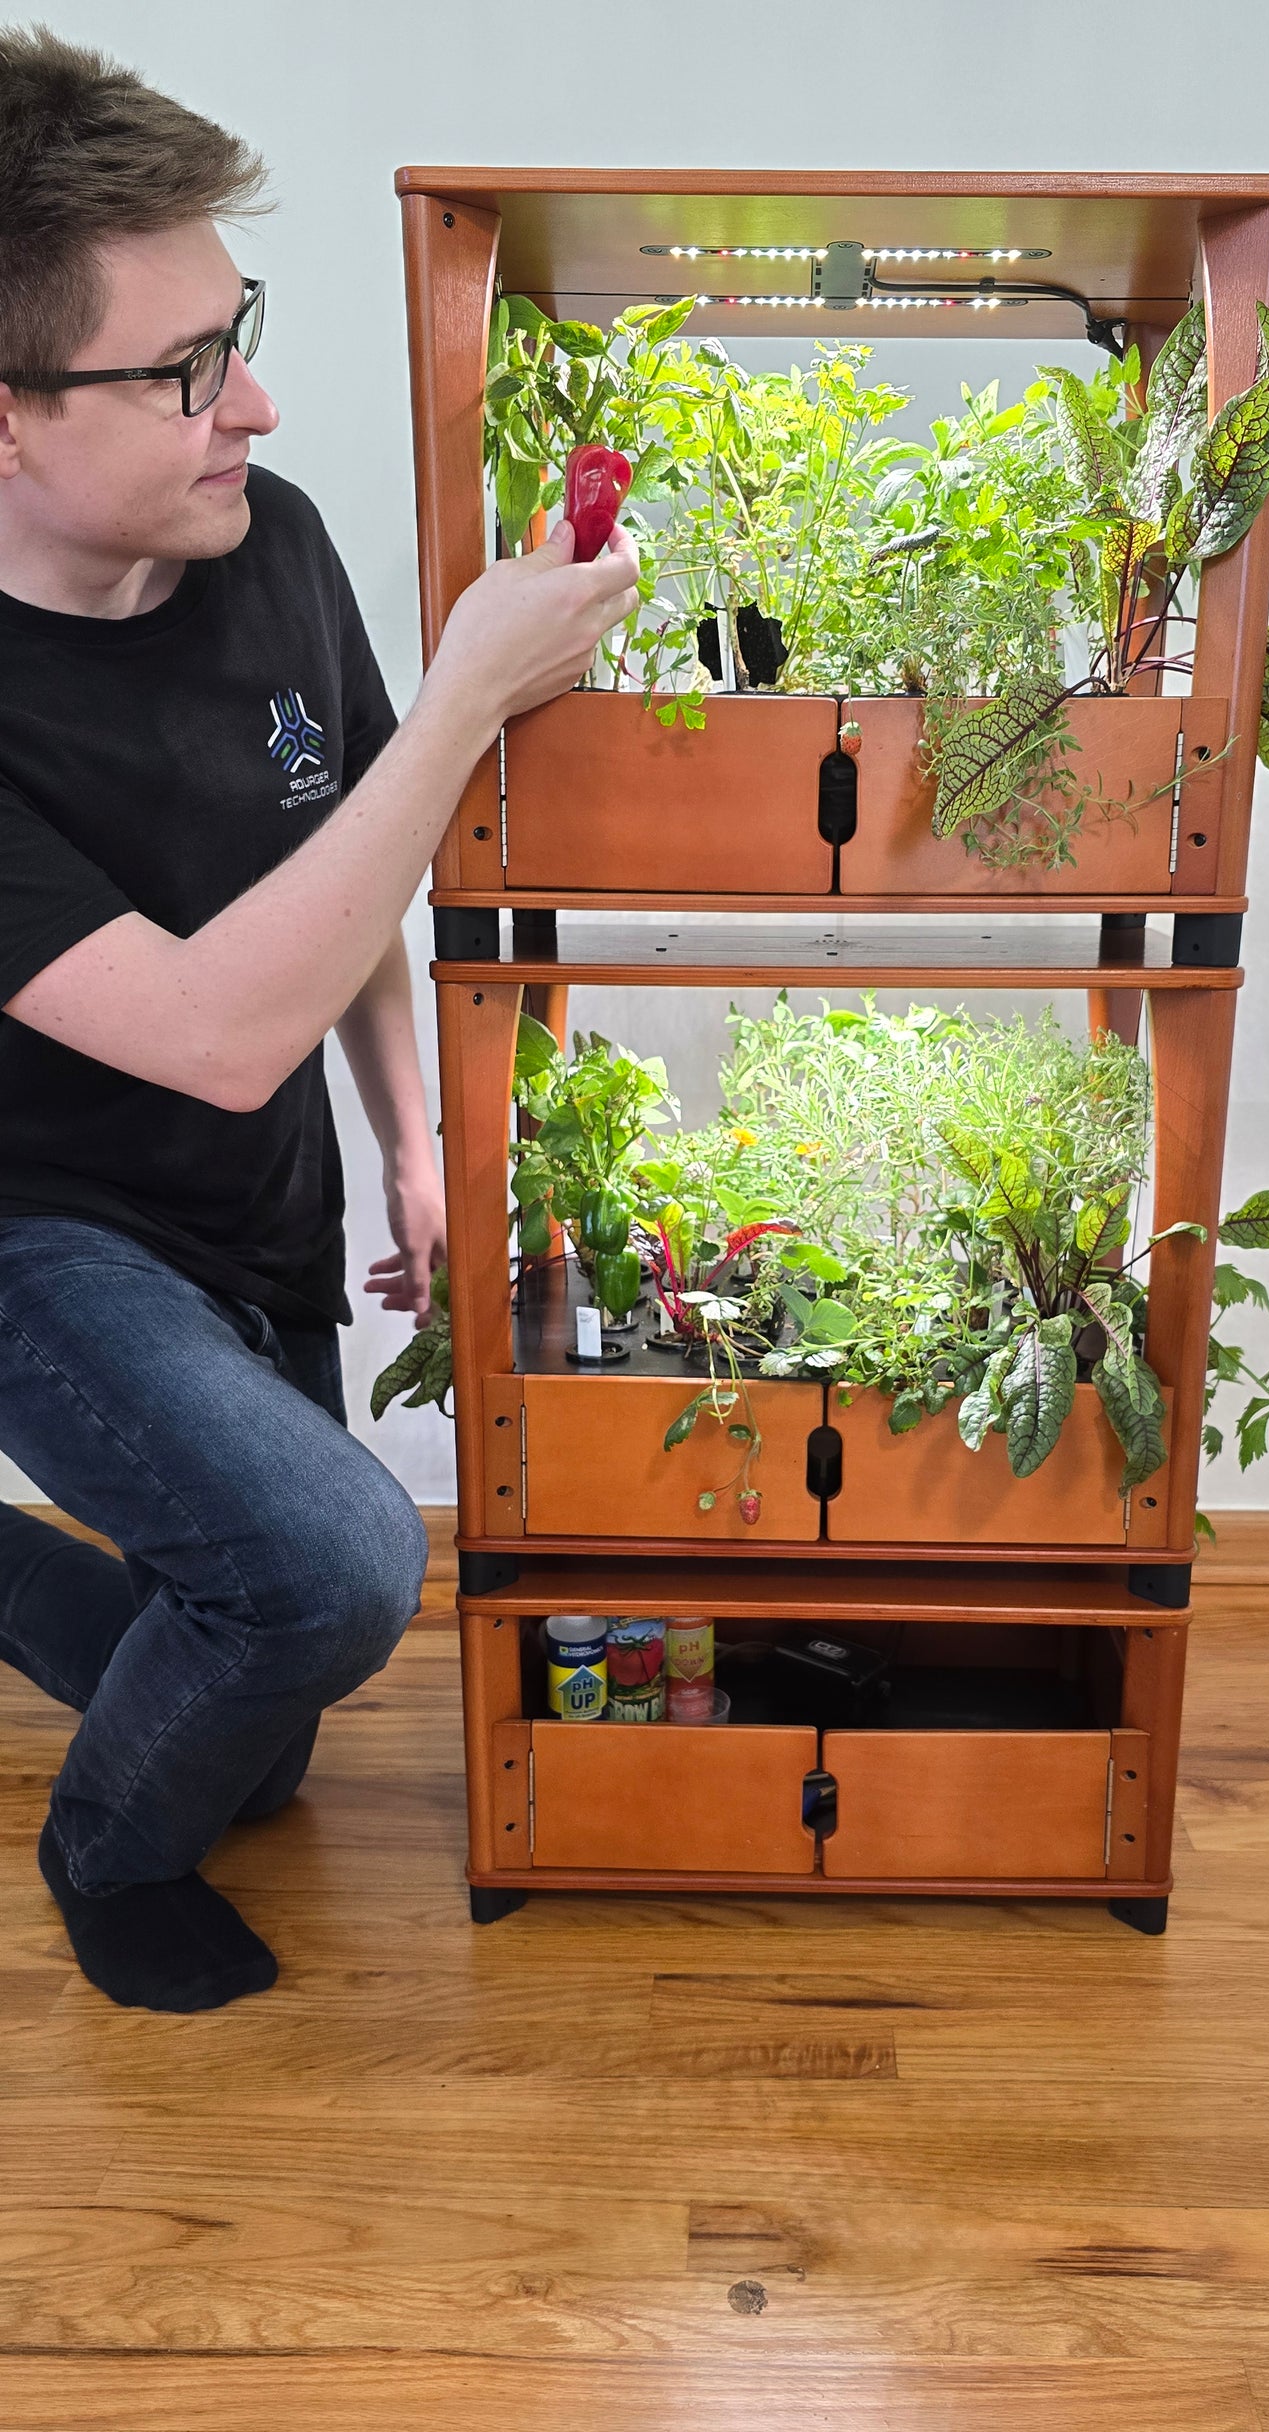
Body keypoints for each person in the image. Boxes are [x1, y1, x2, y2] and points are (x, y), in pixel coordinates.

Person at [0, 29, 637, 2012]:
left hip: (250, 1214)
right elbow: (206, 1027)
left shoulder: (258, 540)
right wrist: (467, 701)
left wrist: (423, 1137)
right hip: (47, 1237)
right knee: (338, 1574)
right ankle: (96, 1855)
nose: (252, 404)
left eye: (237, 332)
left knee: (263, 1740)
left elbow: (345, 855)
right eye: (182, 371)